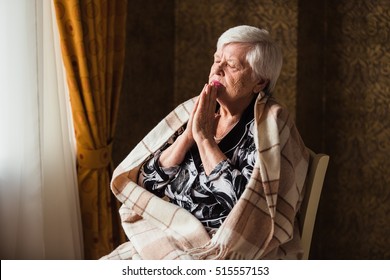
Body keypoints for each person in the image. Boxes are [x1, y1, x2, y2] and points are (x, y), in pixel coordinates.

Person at [102, 25, 309, 260]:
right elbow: (146, 182)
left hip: (218, 247)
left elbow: (246, 215)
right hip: (166, 234)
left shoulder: (268, 125)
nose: (217, 70)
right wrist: (188, 137)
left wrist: (204, 140)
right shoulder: (198, 111)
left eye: (231, 65)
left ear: (259, 82)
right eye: (216, 59)